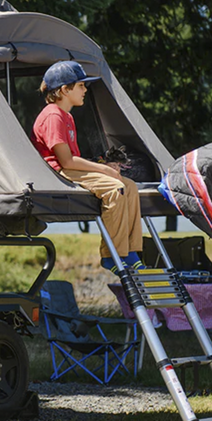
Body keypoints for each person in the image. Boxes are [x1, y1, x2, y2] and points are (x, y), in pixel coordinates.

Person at [31, 60, 144, 274]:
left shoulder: (67, 116)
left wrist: (102, 165)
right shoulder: (53, 115)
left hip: (69, 169)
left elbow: (74, 159)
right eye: (81, 85)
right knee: (114, 189)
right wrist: (105, 170)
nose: (85, 89)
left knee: (129, 187)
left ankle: (130, 250)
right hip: (58, 173)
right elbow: (65, 162)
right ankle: (112, 255)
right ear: (65, 89)